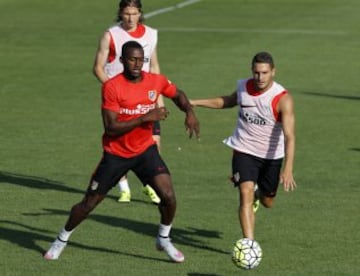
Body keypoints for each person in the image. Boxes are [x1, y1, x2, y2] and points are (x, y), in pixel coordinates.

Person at [44, 41, 200, 262]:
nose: (137, 64)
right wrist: (146, 118)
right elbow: (111, 127)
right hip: (116, 155)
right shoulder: (112, 87)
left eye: (141, 59)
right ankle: (61, 239)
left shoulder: (155, 81)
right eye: (132, 59)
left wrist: (189, 112)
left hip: (145, 151)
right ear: (122, 60)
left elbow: (177, 94)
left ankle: (163, 238)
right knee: (89, 203)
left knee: (169, 196)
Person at [190, 52, 296, 240]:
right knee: (244, 193)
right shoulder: (243, 87)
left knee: (268, 201)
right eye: (256, 72)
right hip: (244, 150)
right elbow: (228, 101)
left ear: (273, 72)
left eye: (264, 73)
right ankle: (249, 243)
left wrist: (288, 169)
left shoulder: (282, 99)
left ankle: (259, 193)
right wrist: (195, 103)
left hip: (271, 157)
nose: (260, 77)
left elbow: (289, 136)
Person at [93, 0, 163, 204]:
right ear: (120, 14)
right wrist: (113, 89)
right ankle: (124, 188)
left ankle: (151, 184)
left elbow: (155, 67)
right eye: (126, 14)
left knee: (154, 142)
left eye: (134, 13)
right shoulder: (111, 35)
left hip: (145, 98)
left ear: (140, 13)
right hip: (119, 102)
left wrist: (159, 99)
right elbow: (98, 67)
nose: (131, 18)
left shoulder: (151, 34)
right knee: (119, 145)